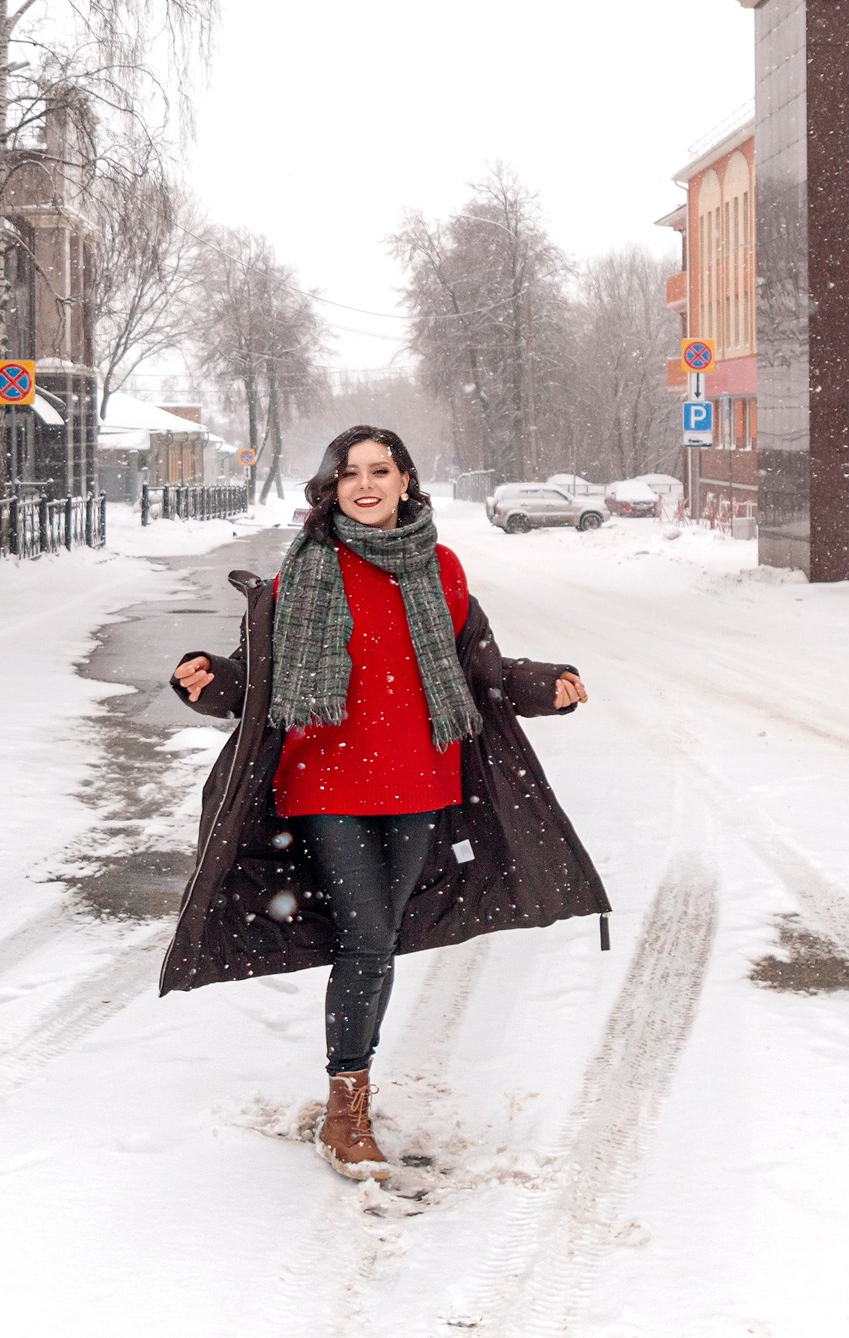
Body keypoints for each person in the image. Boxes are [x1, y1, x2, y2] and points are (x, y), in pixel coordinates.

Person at [162, 425, 607, 1181]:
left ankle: (348, 1086)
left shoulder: (441, 569)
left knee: (379, 938)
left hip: (421, 785)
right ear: (330, 487)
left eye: (380, 470)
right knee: (367, 936)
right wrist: (207, 681)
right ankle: (347, 1103)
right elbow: (256, 681)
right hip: (324, 786)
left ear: (406, 481)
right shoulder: (297, 577)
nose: (364, 484)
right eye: (349, 473)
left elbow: (480, 670)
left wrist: (542, 685)